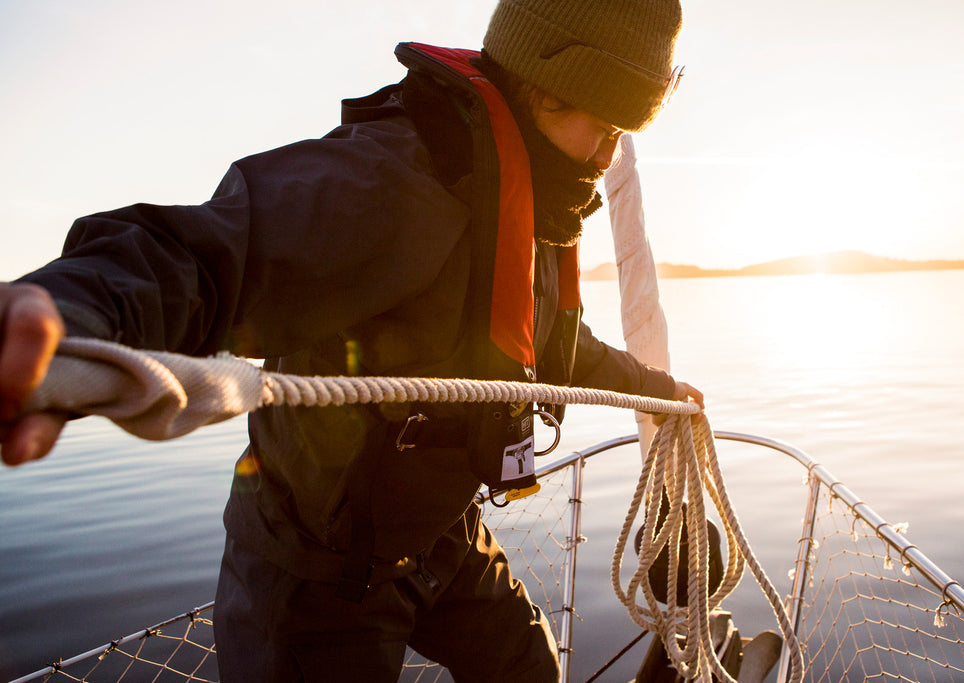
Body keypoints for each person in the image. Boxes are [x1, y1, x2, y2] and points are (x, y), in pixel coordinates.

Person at [0, 0, 701, 680]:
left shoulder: (539, 202)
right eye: (603, 128)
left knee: (527, 668)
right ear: (545, 87)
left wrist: (659, 388)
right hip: (317, 576)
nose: (608, 157)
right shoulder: (397, 176)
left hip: (440, 541)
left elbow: (558, 345)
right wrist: (72, 310)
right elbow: (213, 252)